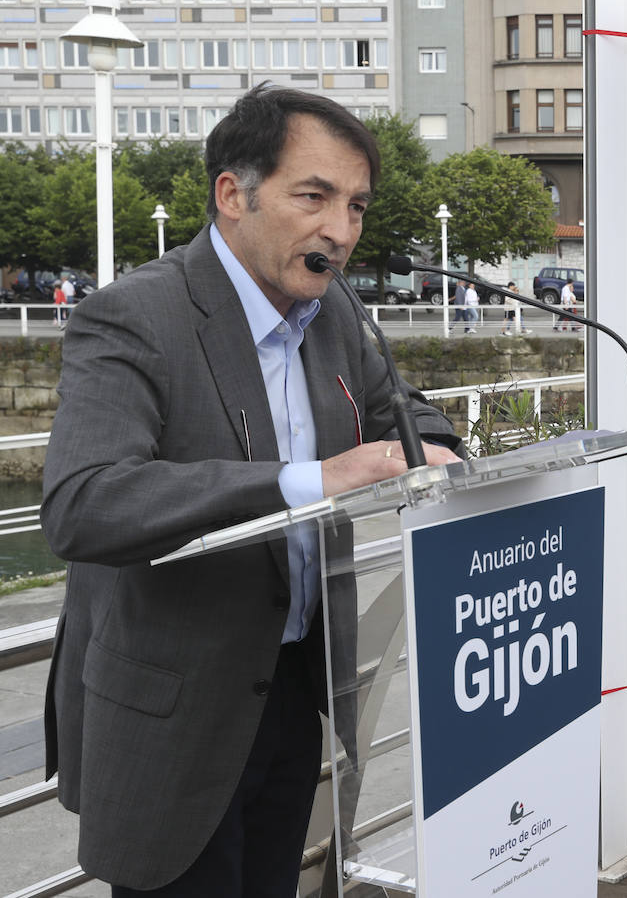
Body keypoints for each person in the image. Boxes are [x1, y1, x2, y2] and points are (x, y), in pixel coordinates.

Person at [40, 84, 463, 896]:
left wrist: (432, 445)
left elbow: (399, 405)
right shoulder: (133, 316)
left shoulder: (334, 308)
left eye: (358, 207)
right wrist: (311, 480)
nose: (340, 232)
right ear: (233, 194)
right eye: (316, 197)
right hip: (175, 715)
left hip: (295, 688)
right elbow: (83, 502)